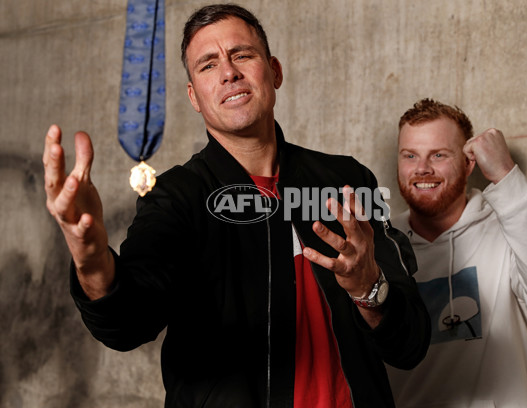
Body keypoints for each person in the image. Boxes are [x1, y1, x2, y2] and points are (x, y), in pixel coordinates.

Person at [43, 4, 430, 408]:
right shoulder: (176, 196)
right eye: (208, 65)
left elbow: (411, 345)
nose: (229, 72)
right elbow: (127, 325)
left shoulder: (346, 181)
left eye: (242, 55)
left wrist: (368, 287)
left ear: (275, 71)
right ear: (194, 96)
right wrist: (91, 261)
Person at [386, 98, 527, 407]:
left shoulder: (513, 226)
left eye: (439, 155)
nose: (422, 168)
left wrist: (506, 175)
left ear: (470, 164)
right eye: (410, 155)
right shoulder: (380, 243)